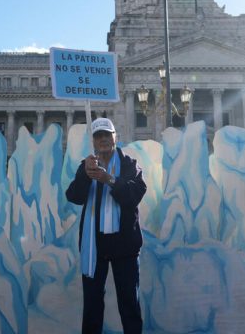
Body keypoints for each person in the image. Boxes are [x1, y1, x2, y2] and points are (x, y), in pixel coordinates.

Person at [66, 117, 146, 333]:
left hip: (125, 246)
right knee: (92, 307)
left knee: (129, 304)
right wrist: (85, 174)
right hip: (95, 246)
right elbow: (73, 196)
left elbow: (133, 195)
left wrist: (109, 179)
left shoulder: (130, 164)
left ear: (115, 137)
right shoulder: (87, 166)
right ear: (93, 141)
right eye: (98, 136)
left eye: (106, 135)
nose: (102, 140)